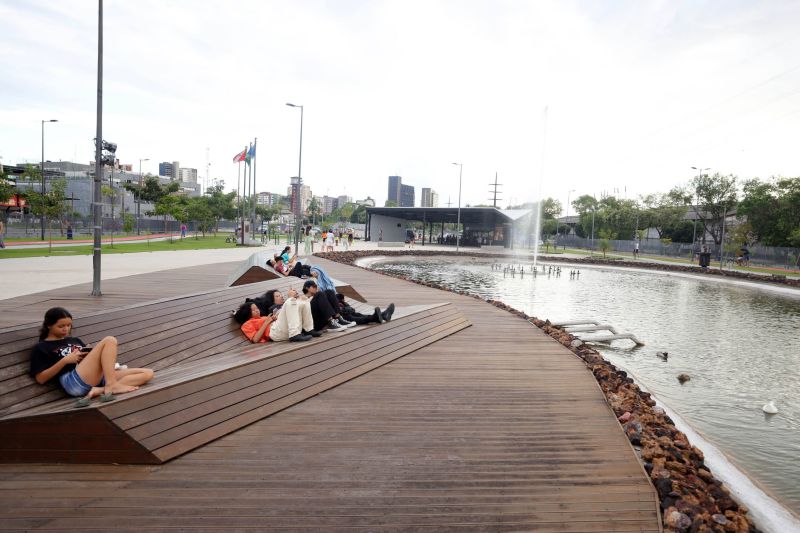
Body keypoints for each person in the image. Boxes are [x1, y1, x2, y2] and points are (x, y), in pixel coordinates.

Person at [29, 307, 154, 408]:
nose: (66, 329)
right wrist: (65, 360)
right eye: (61, 326)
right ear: (49, 325)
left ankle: (99, 391)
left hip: (94, 379)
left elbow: (88, 364)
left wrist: (89, 354)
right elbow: (41, 379)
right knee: (110, 340)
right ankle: (111, 385)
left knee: (148, 373)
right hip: (72, 382)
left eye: (69, 325)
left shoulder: (75, 340)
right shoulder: (42, 347)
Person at [233, 288, 320, 342]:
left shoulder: (262, 317)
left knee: (304, 302)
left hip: (281, 329)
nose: (257, 310)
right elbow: (255, 339)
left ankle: (309, 329)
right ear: (247, 313)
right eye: (253, 310)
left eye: (257, 308)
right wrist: (267, 322)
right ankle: (295, 335)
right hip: (274, 334)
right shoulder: (246, 324)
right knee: (290, 301)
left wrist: (273, 318)